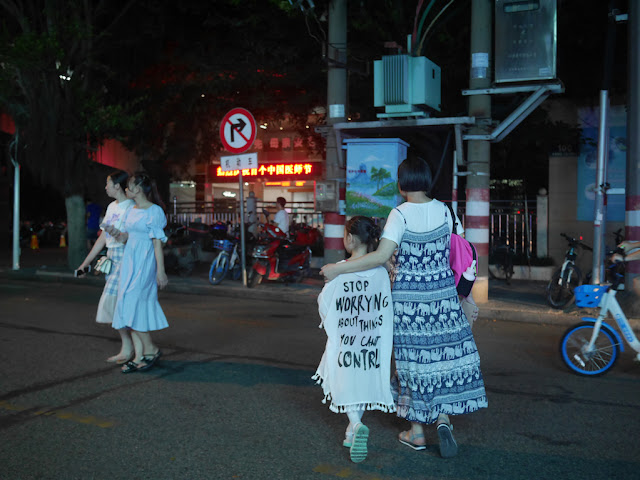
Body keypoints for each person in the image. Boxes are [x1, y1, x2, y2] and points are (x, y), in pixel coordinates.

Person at [321, 154, 487, 458]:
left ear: (402, 183)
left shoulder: (400, 214)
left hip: (409, 303)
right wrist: (468, 298)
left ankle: (417, 433)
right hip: (443, 298)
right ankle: (443, 419)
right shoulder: (448, 211)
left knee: (411, 365)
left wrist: (338, 268)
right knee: (439, 361)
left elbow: (379, 257)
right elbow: (464, 260)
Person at [313, 216, 395, 464]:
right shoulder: (381, 273)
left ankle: (356, 424)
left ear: (348, 238)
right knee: (360, 381)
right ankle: (352, 431)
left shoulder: (339, 270)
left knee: (340, 378)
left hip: (345, 341)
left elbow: (324, 305)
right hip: (371, 343)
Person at [105, 172, 169, 374]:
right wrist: (117, 234)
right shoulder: (131, 210)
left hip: (144, 263)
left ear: (138, 189)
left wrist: (161, 272)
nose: (126, 189)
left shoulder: (154, 211)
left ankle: (151, 349)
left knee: (133, 304)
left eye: (130, 186)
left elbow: (157, 244)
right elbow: (126, 238)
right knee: (127, 305)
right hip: (129, 261)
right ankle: (140, 355)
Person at [76, 170, 135, 364]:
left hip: (127, 259)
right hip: (112, 258)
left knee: (119, 306)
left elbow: (129, 238)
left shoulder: (132, 207)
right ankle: (130, 347)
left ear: (117, 186)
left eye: (108, 183)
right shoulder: (111, 207)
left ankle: (135, 349)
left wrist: (116, 234)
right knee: (114, 306)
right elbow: (103, 237)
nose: (105, 187)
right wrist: (85, 263)